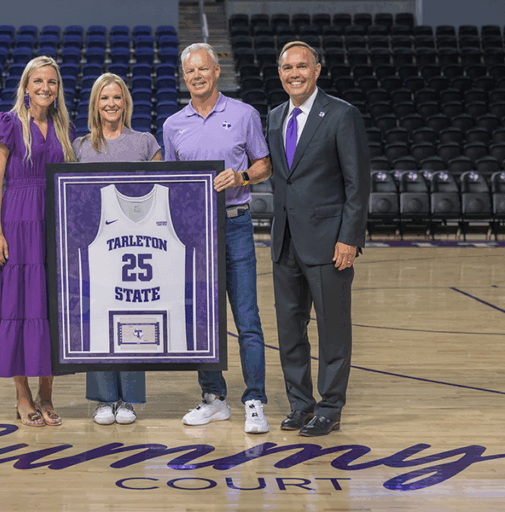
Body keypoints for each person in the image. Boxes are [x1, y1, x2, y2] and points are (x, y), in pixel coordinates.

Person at [163, 43, 272, 434]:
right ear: (184, 77)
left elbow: (264, 165)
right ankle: (214, 399)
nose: (197, 76)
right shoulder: (173, 125)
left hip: (235, 223)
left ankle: (255, 400)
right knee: (201, 319)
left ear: (216, 71)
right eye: (190, 71)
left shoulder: (244, 114)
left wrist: (241, 176)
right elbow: (172, 183)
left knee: (247, 318)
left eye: (203, 69)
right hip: (194, 232)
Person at [268, 41, 370, 437]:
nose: (294, 74)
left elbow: (357, 184)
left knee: (333, 331)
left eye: (302, 66)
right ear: (280, 73)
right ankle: (300, 404)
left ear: (317, 70)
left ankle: (329, 408)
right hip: (285, 242)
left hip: (329, 244)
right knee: (290, 331)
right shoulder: (275, 116)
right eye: (287, 68)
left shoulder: (342, 114)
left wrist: (349, 238)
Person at [0, 56, 76, 427]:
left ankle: (46, 395)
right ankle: (22, 395)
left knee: (50, 311)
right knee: (16, 309)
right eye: (38, 81)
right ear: (26, 86)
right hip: (17, 225)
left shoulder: (64, 127)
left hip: (54, 226)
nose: (45, 88)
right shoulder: (7, 124)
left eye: (52, 82)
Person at [72, 72, 162, 425]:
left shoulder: (145, 143)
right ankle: (103, 398)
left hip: (135, 247)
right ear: (96, 104)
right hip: (94, 247)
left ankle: (128, 400)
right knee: (97, 320)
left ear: (126, 102)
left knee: (132, 318)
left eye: (117, 97)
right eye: (104, 98)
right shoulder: (80, 146)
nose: (111, 103)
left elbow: (162, 194)